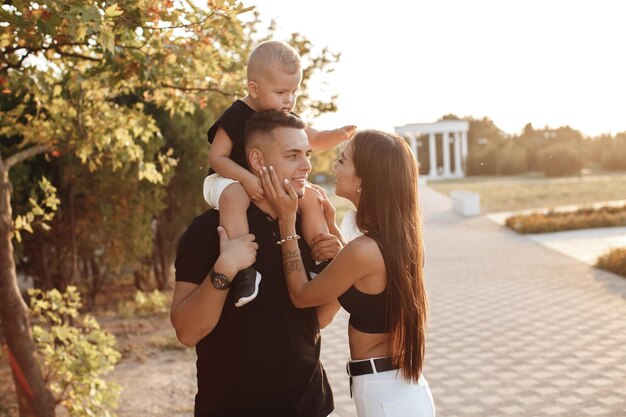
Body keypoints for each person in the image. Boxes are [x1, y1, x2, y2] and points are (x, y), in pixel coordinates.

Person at [171, 110, 343, 417]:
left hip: (308, 405)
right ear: (257, 161)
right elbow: (187, 332)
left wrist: (337, 266)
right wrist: (225, 267)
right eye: (292, 155)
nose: (306, 165)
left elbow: (318, 320)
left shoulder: (309, 227)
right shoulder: (210, 230)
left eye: (306, 154)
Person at [261, 130, 436, 417]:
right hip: (397, 391)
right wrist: (333, 228)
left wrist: (287, 224)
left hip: (386, 397)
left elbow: (302, 295)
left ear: (365, 180)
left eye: (342, 161)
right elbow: (366, 276)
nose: (334, 166)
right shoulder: (399, 240)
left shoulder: (364, 251)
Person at [204, 40, 355, 307]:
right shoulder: (236, 114)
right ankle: (243, 270)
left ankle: (320, 259)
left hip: (265, 181)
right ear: (254, 88)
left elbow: (315, 138)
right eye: (282, 91)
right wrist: (246, 178)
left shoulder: (286, 116)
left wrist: (337, 134)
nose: (289, 100)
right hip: (227, 178)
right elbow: (217, 158)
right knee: (235, 196)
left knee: (311, 196)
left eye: (294, 92)